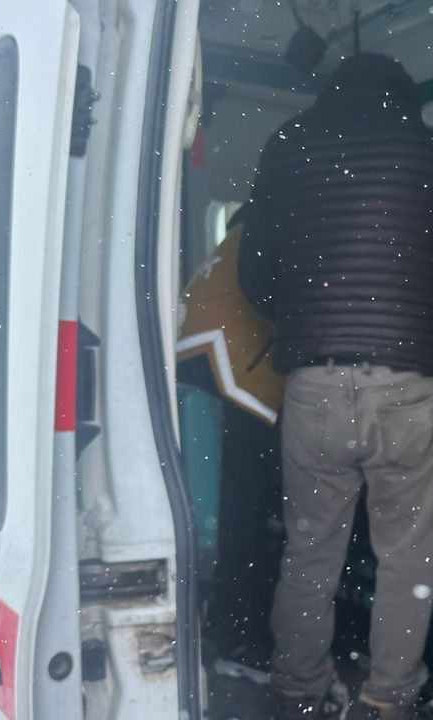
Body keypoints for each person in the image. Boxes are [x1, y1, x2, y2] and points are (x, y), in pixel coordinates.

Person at [238, 54, 433, 720]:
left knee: (309, 550)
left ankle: (298, 689)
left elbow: (254, 275)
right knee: (406, 558)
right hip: (408, 388)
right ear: (405, 94)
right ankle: (388, 698)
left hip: (313, 390)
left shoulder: (289, 143)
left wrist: (308, 320)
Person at [176, 210, 286, 686]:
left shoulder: (247, 227)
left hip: (198, 366)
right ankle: (240, 640)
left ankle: (223, 627)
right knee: (243, 514)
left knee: (224, 513)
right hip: (235, 375)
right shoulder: (283, 224)